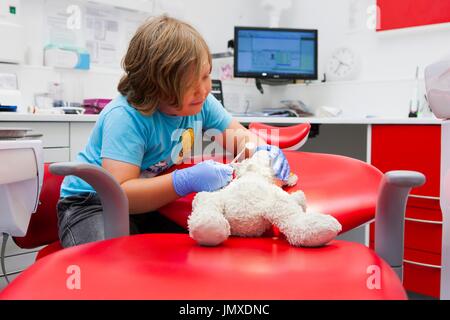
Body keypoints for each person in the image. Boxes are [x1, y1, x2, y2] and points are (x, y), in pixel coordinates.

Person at [57, 15, 291, 248]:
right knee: (108, 265)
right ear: (155, 86)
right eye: (188, 85)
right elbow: (122, 193)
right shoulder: (126, 116)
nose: (202, 90)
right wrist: (184, 181)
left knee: (198, 250)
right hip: (93, 202)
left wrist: (262, 151)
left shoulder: (201, 103)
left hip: (149, 202)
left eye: (206, 75)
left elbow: (239, 137)